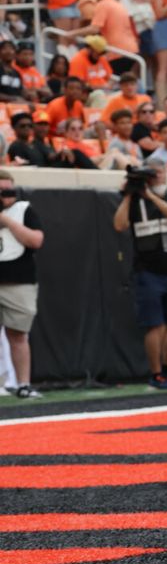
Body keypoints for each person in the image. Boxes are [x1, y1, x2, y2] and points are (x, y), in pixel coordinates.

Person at [112, 157, 167, 389]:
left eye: (158, 172)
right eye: (151, 173)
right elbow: (118, 225)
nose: (155, 176)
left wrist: (151, 197)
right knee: (154, 325)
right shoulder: (135, 202)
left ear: (166, 172)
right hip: (147, 271)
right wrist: (129, 193)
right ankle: (156, 374)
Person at [0, 171, 45, 399]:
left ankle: (23, 383)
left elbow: (36, 240)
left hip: (18, 281)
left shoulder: (23, 210)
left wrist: (7, 221)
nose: (4, 197)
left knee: (18, 334)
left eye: (9, 192)